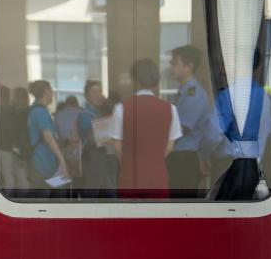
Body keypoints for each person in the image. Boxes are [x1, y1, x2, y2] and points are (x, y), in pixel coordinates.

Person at [105, 59, 182, 196]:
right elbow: (170, 147)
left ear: (134, 80)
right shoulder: (171, 109)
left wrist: (127, 164)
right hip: (158, 177)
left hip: (129, 177)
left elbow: (117, 146)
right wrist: (155, 160)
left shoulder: (121, 108)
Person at [205, 78, 271, 201]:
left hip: (228, 164)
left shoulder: (228, 94)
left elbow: (214, 132)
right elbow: (267, 129)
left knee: (222, 206)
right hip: (255, 163)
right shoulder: (265, 97)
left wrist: (204, 154)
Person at [167, 46, 212, 197]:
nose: (171, 67)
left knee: (180, 204)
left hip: (184, 160)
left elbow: (181, 129)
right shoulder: (183, 91)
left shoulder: (194, 94)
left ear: (189, 66)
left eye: (175, 63)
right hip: (177, 157)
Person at [25, 80, 69, 194]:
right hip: (42, 164)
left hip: (38, 162)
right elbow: (49, 139)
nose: (53, 94)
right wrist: (62, 161)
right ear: (46, 92)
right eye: (52, 91)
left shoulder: (34, 110)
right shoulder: (41, 112)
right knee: (43, 200)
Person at [76, 80, 117, 198]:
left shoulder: (98, 113)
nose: (99, 95)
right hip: (92, 158)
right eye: (94, 92)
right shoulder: (85, 115)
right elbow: (93, 138)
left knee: (109, 191)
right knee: (92, 192)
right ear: (86, 96)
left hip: (102, 157)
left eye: (100, 91)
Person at [53, 95, 82, 187]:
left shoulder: (57, 116)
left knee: (62, 178)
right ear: (76, 103)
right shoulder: (81, 114)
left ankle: (63, 193)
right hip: (78, 150)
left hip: (63, 149)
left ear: (66, 104)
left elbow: (54, 135)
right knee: (77, 179)